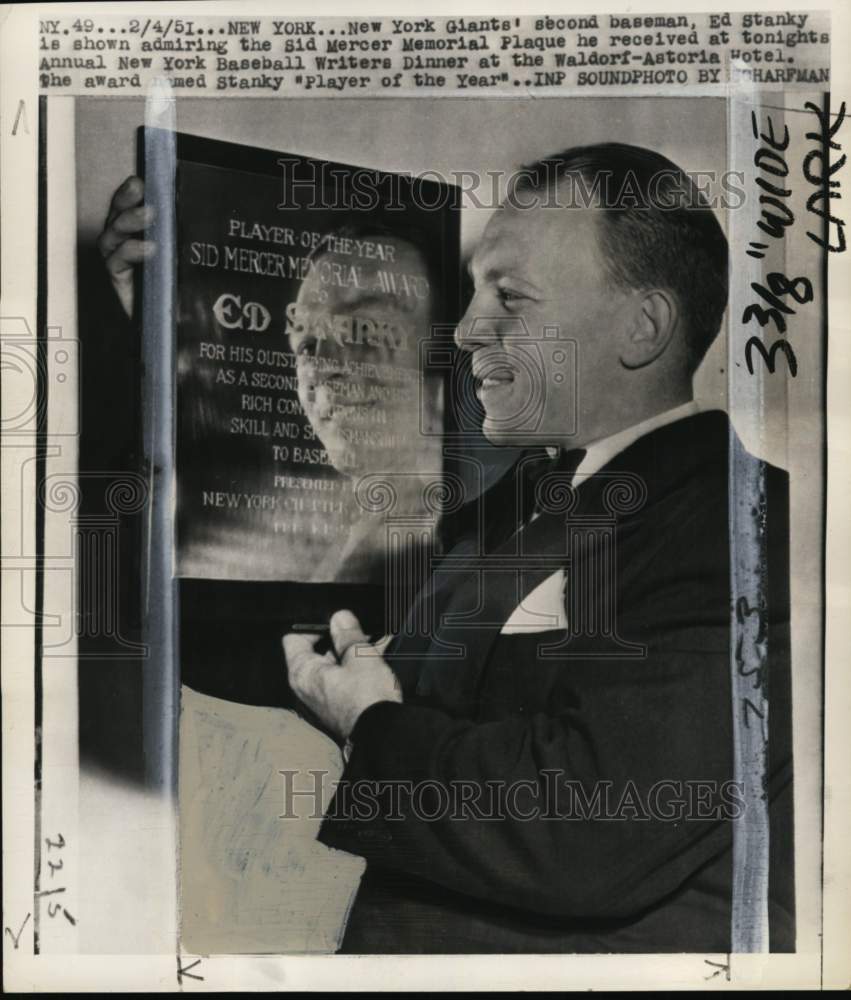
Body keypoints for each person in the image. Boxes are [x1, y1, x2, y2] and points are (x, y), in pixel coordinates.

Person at [281, 143, 794, 953]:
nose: (466, 329)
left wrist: (373, 724)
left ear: (642, 326)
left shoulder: (741, 520)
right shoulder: (517, 503)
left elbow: (589, 824)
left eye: (509, 297)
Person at [99, 182, 443, 584]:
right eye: (307, 344)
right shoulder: (300, 546)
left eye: (363, 329)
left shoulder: (493, 533)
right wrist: (150, 350)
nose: (323, 366)